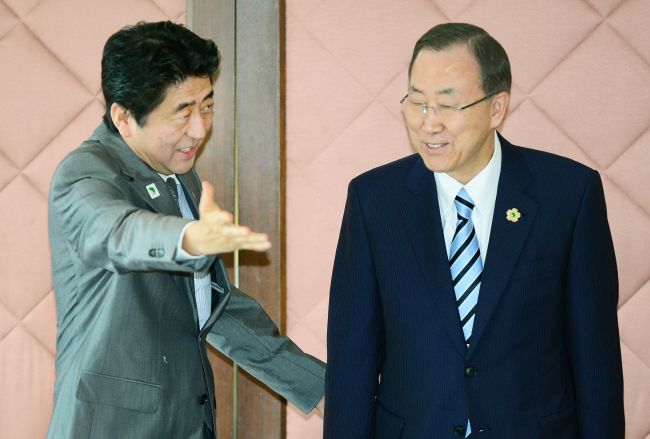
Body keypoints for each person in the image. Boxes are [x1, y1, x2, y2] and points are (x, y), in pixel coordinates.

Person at [323, 22, 624, 438]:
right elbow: (351, 366)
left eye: (447, 106)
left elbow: (597, 362)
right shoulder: (375, 201)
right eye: (416, 102)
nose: (428, 124)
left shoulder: (567, 196)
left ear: (496, 108)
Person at [47, 21, 324, 439]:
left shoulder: (182, 178)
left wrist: (327, 390)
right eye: (183, 112)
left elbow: (211, 307)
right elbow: (118, 232)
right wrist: (187, 239)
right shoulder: (85, 173)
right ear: (123, 116)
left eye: (207, 105)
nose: (199, 129)